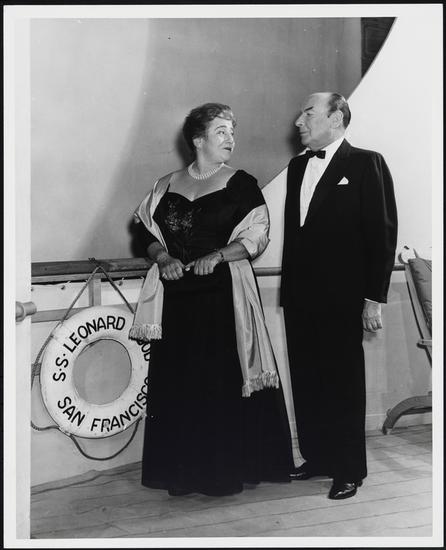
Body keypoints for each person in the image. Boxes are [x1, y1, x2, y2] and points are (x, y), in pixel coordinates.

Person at [130, 102, 294, 497]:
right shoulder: (164, 185)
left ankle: (220, 475)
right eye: (221, 131)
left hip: (222, 298)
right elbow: (143, 233)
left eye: (232, 132)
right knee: (180, 384)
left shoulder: (241, 183)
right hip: (176, 299)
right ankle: (181, 475)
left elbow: (257, 234)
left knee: (218, 383)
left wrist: (218, 256)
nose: (230, 139)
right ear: (198, 139)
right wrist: (163, 258)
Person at [281, 92, 398, 500]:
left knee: (342, 383)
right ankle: (317, 458)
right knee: (307, 379)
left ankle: (348, 469)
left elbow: (382, 235)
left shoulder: (367, 163)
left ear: (336, 118)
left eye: (308, 113)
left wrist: (373, 298)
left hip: (343, 298)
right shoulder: (298, 167)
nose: (299, 121)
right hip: (299, 296)